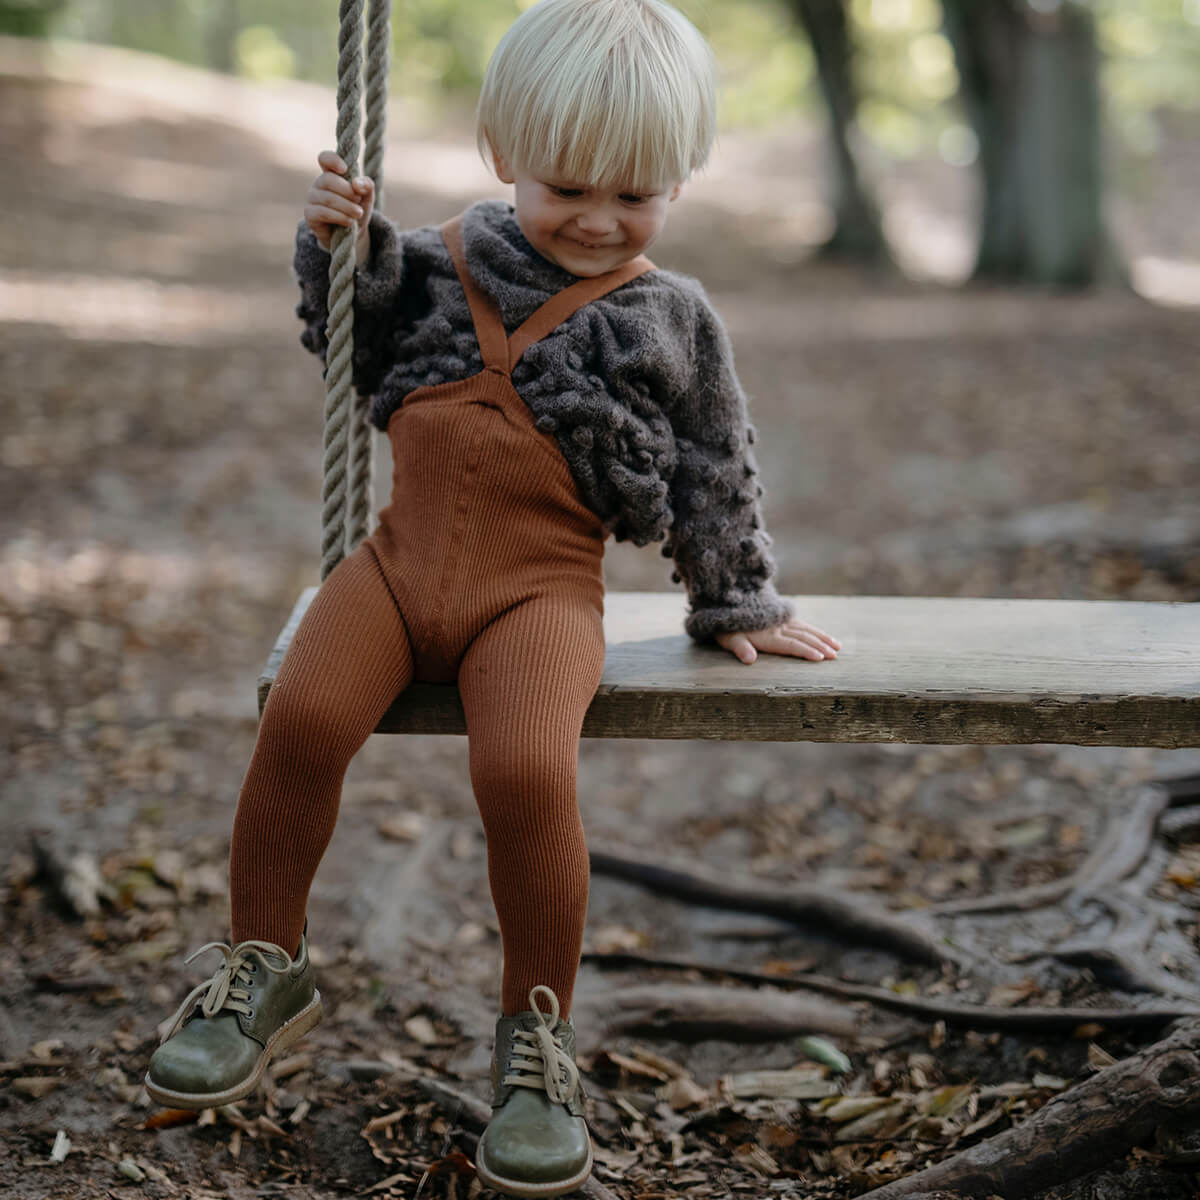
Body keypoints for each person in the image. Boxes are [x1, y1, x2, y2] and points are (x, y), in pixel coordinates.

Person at [145, 0, 840, 1194]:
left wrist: (739, 602)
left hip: (541, 599)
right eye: (570, 185)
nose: (601, 218)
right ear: (500, 151)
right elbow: (344, 340)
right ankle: (266, 964)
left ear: (679, 183)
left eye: (640, 194)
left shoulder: (672, 319)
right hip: (393, 571)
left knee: (523, 772)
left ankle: (537, 1041)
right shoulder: (432, 262)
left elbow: (714, 467)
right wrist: (336, 246)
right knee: (301, 718)